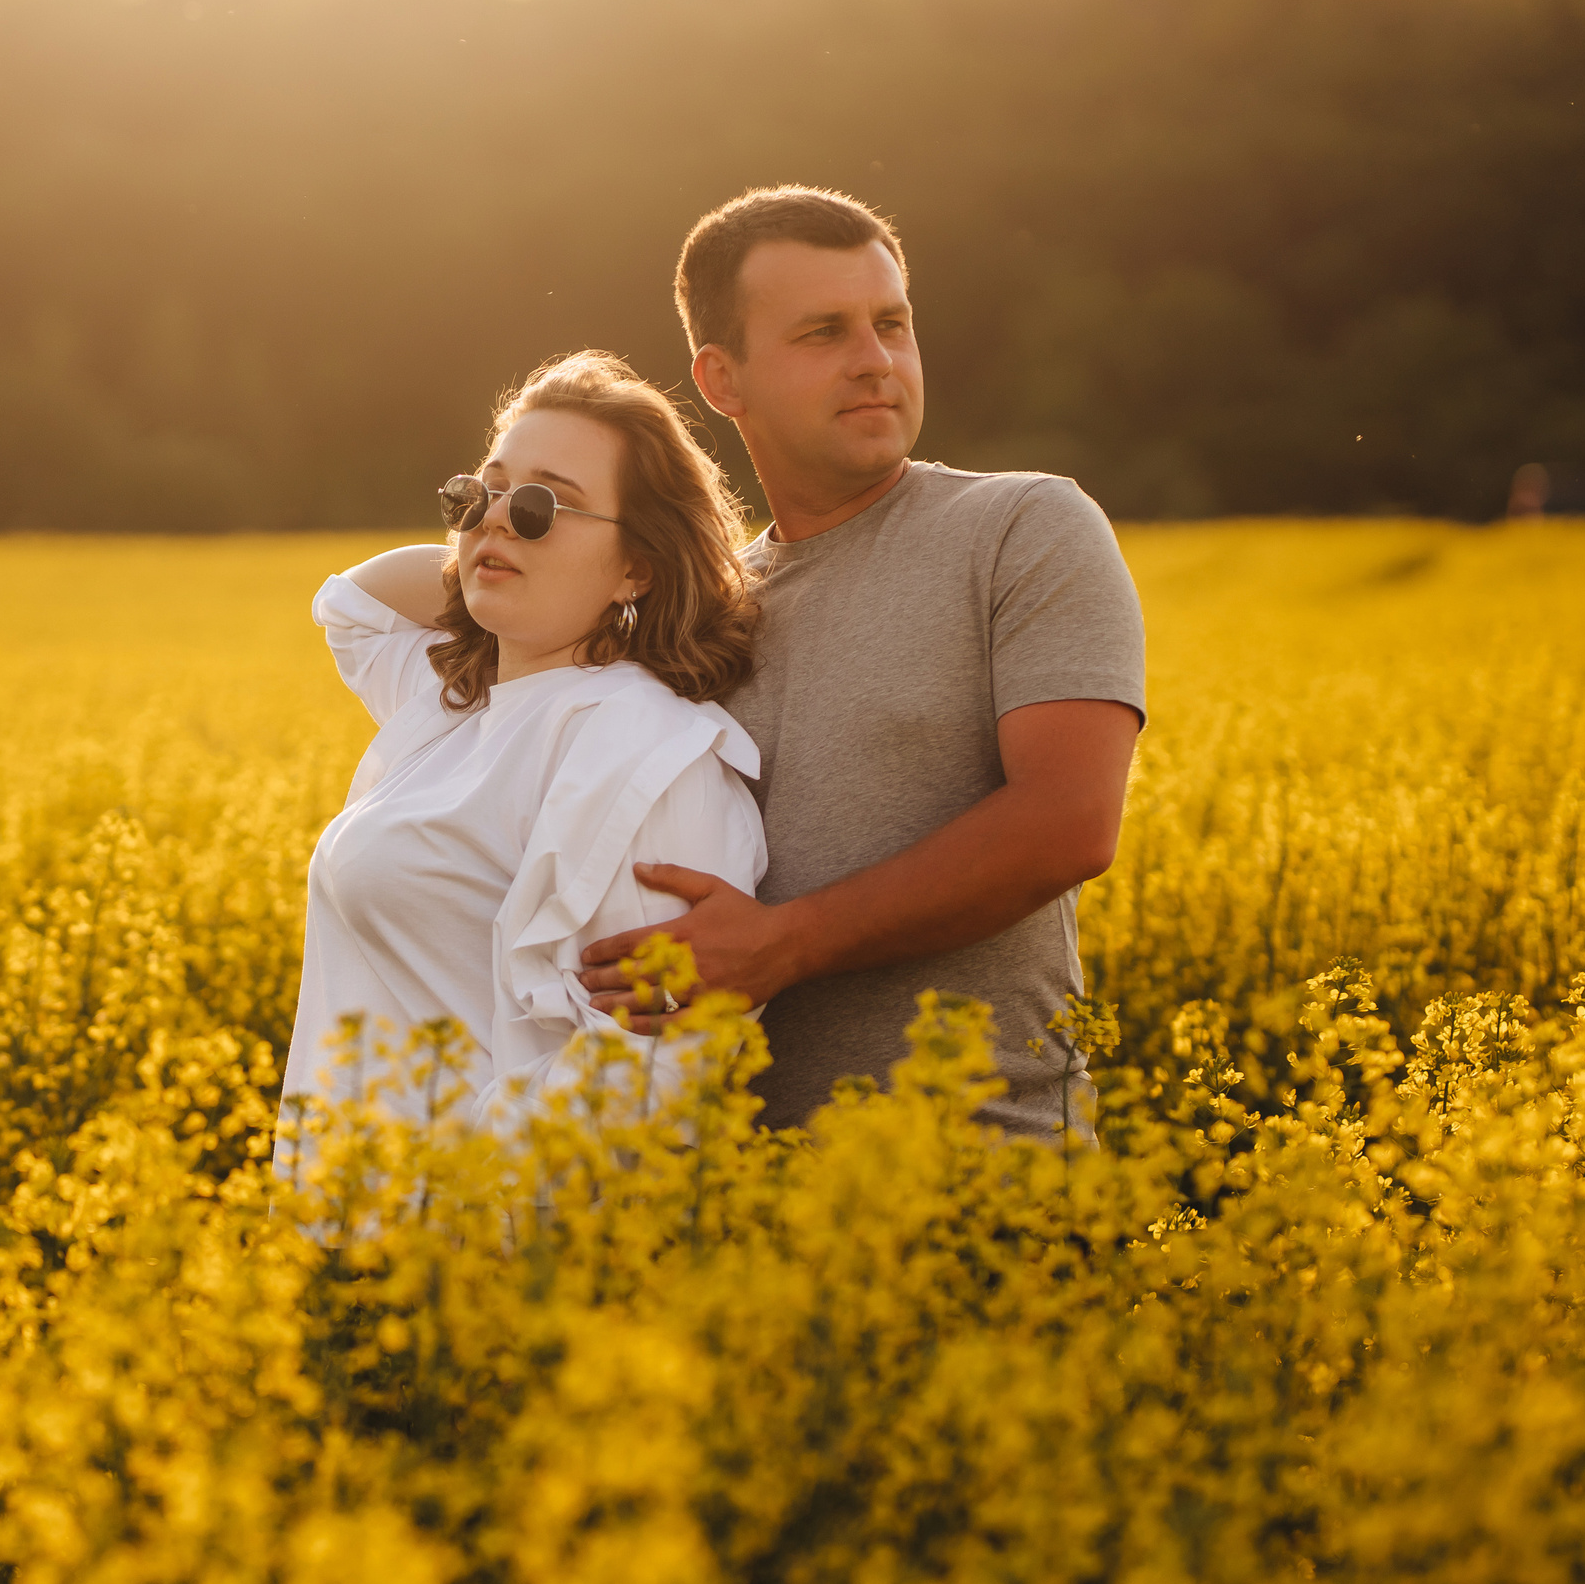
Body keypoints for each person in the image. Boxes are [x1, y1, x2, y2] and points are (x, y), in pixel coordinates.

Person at [581, 186, 1147, 1144]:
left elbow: (1070, 823)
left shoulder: (1023, 528)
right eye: (824, 333)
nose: (876, 361)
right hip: (720, 1200)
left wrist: (780, 947)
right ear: (722, 380)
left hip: (987, 1175)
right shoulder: (696, 610)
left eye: (893, 324)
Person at [281, 350, 765, 1141]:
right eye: (480, 493)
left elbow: (650, 1079)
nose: (498, 515)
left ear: (636, 566)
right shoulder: (457, 704)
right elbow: (350, 606)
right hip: (352, 1230)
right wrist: (493, 553)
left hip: (466, 1242)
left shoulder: (646, 751)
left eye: (544, 505)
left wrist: (454, 1214)